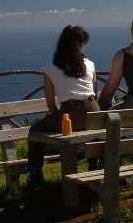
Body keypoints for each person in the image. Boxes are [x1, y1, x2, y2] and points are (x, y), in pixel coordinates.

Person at [27, 25, 100, 186]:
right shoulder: (90, 64)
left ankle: (35, 176)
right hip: (94, 112)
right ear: (79, 45)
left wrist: (58, 117)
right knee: (93, 132)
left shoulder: (50, 69)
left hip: (69, 114)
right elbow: (93, 90)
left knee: (34, 131)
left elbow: (50, 103)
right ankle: (94, 164)